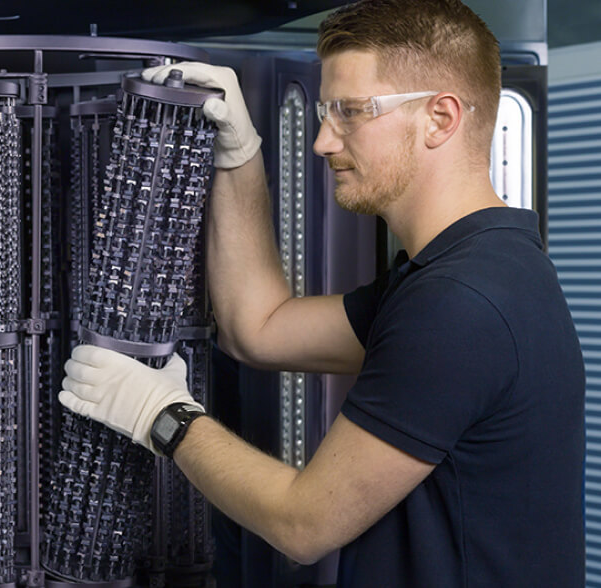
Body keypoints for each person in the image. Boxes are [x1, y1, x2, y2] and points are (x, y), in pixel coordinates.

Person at [57, 0, 585, 585]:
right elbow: (259, 327)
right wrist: (241, 154)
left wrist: (163, 417)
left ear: (440, 117)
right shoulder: (478, 269)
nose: (322, 142)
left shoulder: (461, 302)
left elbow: (304, 525)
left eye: (351, 112)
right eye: (324, 113)